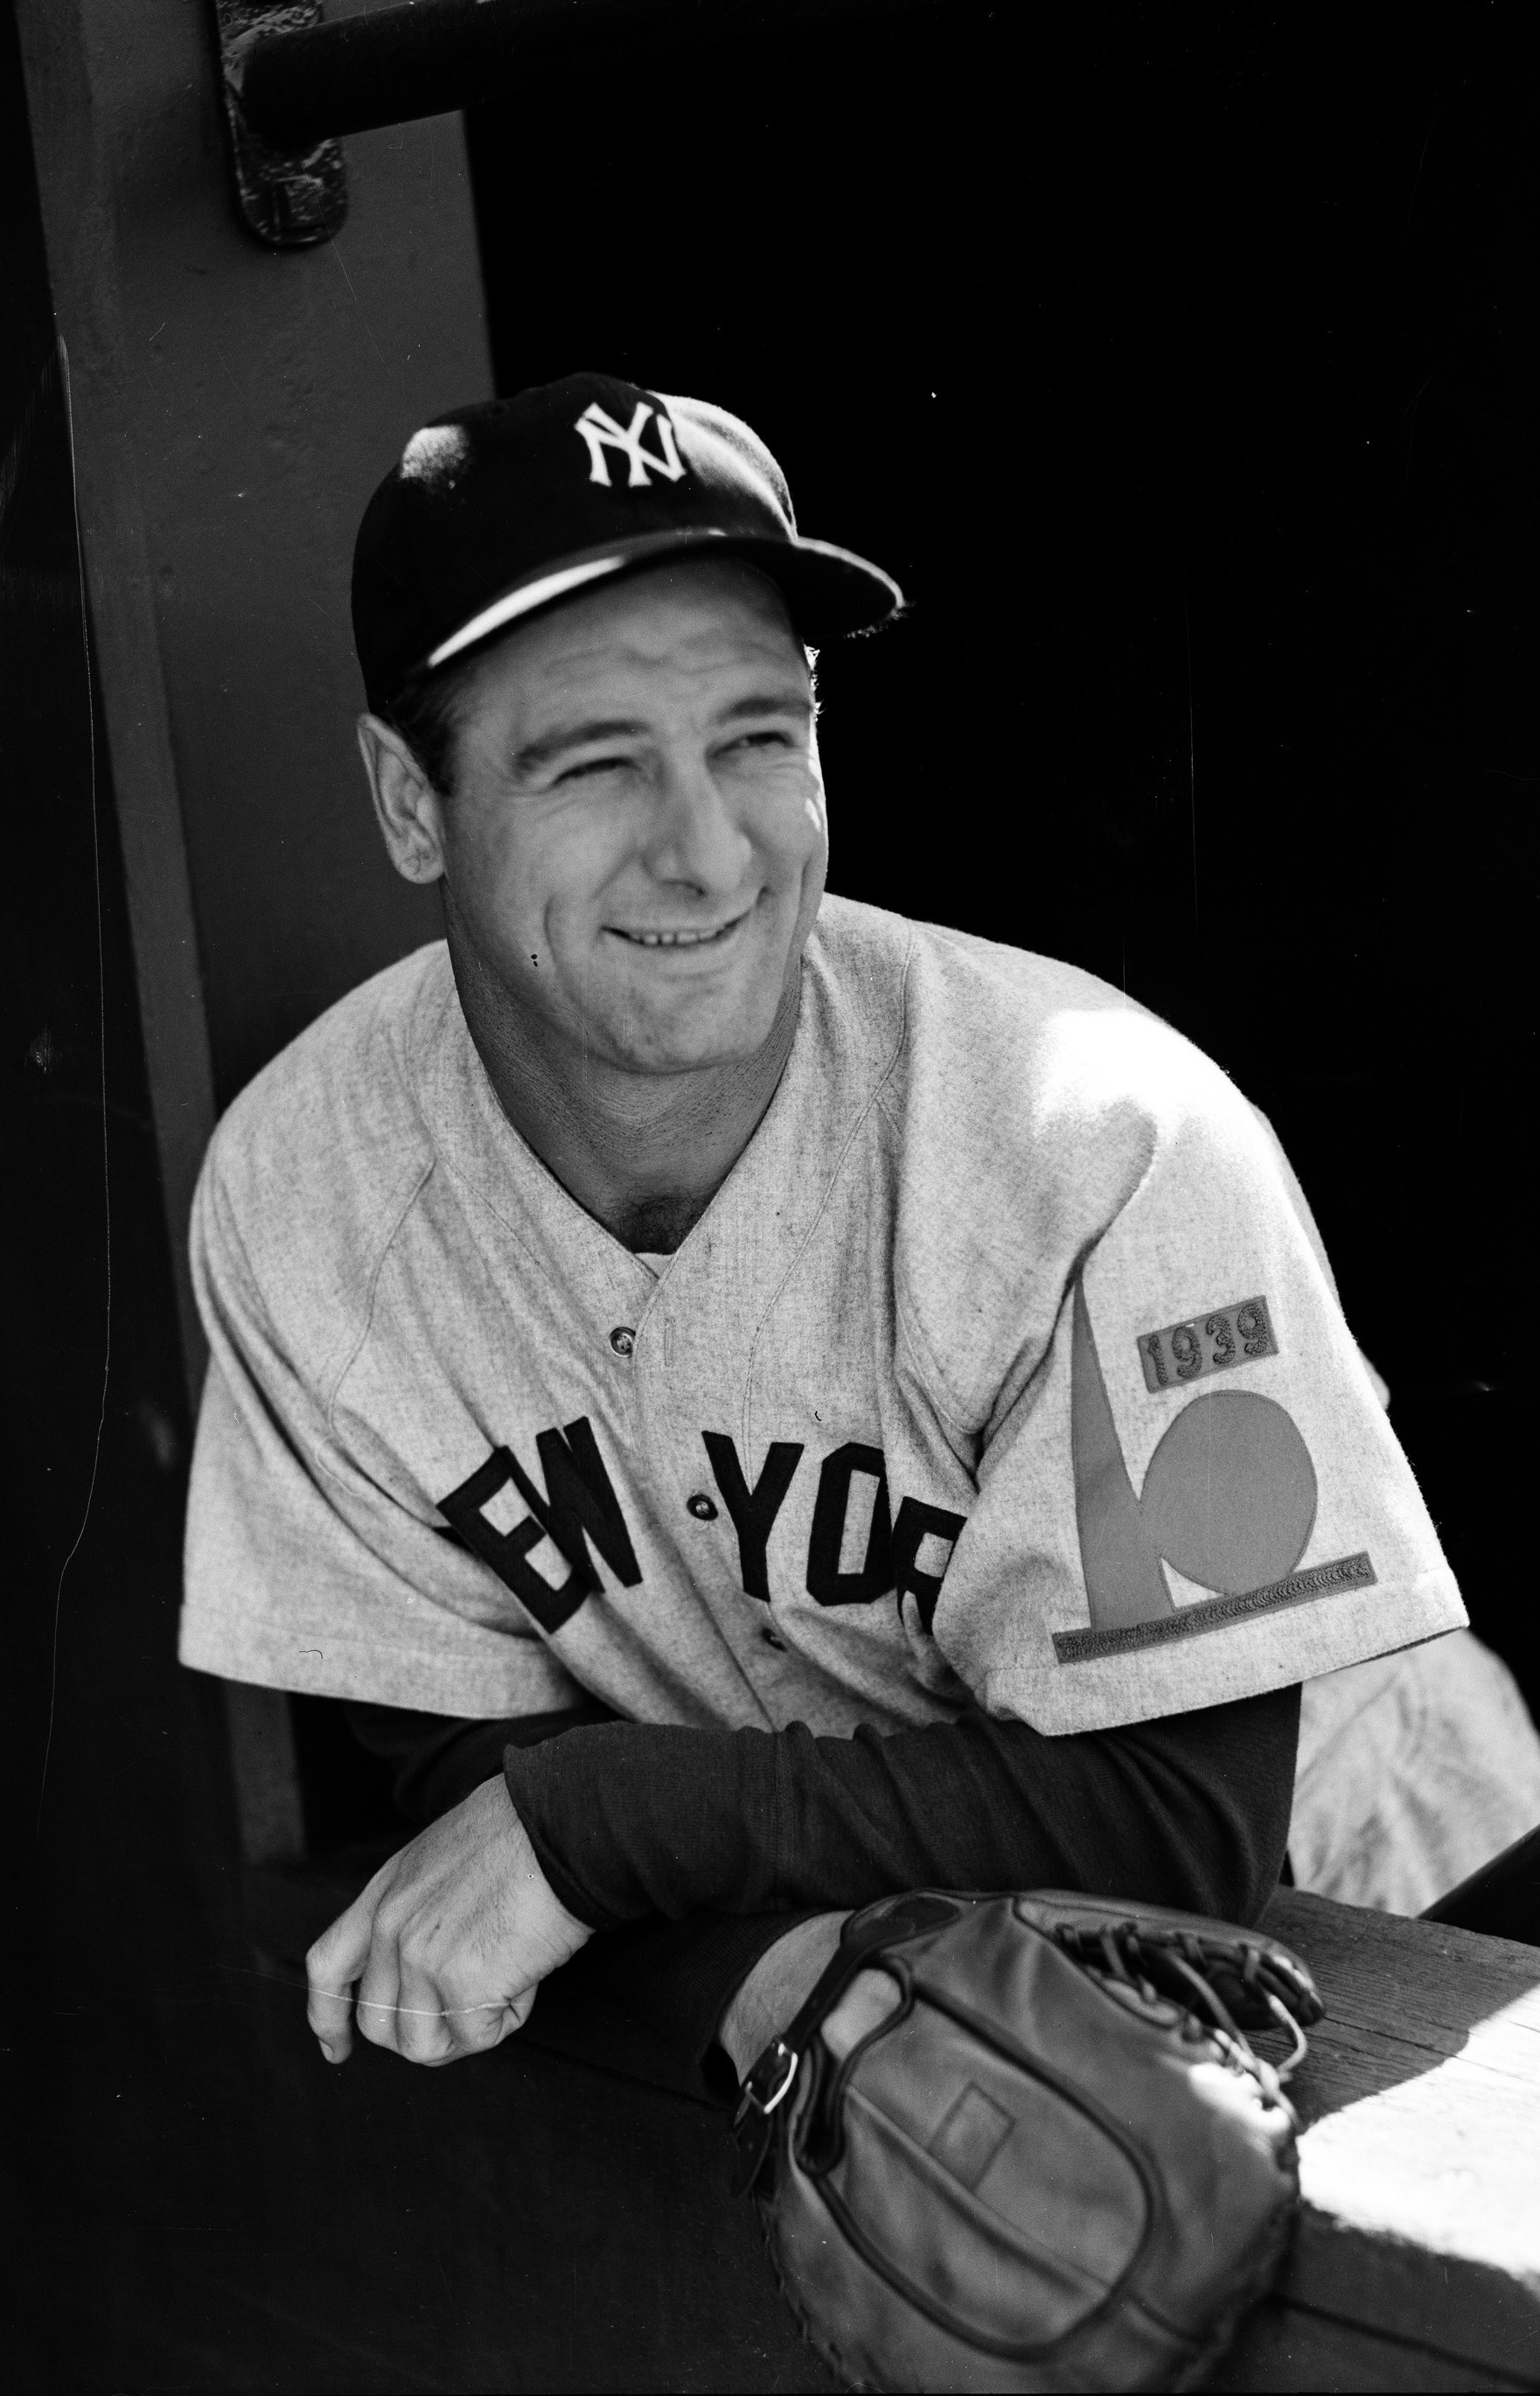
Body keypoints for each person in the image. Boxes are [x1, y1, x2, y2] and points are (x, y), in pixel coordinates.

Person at [178, 372, 1540, 2099]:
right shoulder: (306, 1182)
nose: (705, 846)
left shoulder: (1098, 1134)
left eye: (758, 735)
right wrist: (750, 1963)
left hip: (1396, 1908)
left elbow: (1181, 1817)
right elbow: (459, 1760)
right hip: (919, 1982)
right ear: (406, 799)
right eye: (595, 759)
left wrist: (603, 1825)